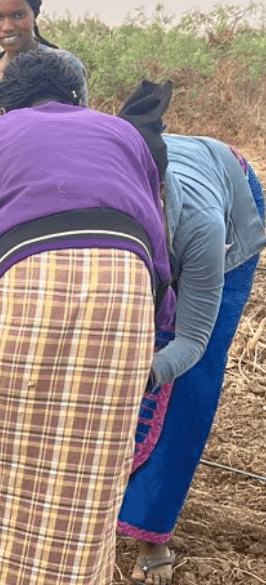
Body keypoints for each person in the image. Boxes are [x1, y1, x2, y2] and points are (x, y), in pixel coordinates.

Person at [0, 49, 170, 585]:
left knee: (3, 456)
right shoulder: (123, 133)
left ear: (6, 104)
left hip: (25, 285)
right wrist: (158, 319)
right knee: (96, 462)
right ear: (78, 95)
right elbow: (155, 232)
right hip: (123, 289)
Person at [117, 127, 266, 584]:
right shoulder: (100, 206)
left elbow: (192, 341)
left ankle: (152, 531)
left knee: (187, 381)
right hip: (168, 197)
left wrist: (138, 376)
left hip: (226, 201)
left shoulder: (202, 228)